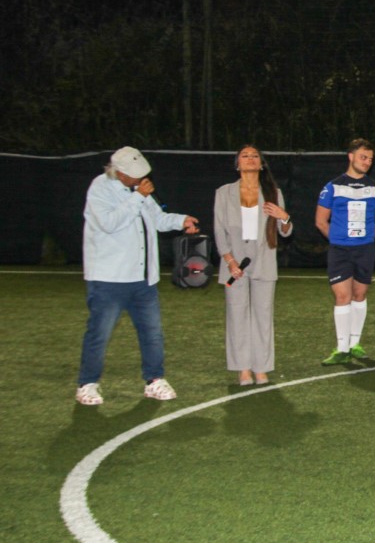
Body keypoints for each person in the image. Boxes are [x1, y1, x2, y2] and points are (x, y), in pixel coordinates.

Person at [76, 146, 199, 405]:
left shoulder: (138, 191)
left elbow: (157, 219)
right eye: (135, 176)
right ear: (119, 173)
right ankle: (87, 384)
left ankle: (154, 380)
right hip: (109, 277)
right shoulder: (100, 188)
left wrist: (181, 221)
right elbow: (109, 223)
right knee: (99, 333)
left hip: (143, 278)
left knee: (152, 332)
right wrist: (138, 197)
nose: (141, 179)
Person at [214, 144, 293, 386]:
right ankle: (243, 369)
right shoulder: (224, 193)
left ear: (261, 164)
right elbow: (219, 230)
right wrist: (229, 261)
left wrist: (284, 217)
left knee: (262, 316)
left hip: (264, 261)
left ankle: (261, 368)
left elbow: (286, 232)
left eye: (255, 156)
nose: (250, 159)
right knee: (236, 315)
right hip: (234, 262)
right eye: (245, 156)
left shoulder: (273, 192)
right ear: (237, 164)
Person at [316, 139, 375, 365]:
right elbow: (321, 221)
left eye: (370, 159)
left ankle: (355, 344)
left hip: (365, 250)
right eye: (363, 157)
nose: (367, 162)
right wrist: (339, 240)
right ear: (350, 156)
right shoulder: (332, 187)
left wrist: (367, 237)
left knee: (359, 295)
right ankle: (341, 347)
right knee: (343, 296)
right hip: (340, 250)